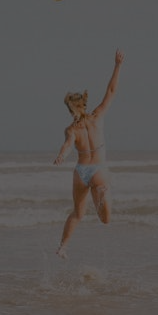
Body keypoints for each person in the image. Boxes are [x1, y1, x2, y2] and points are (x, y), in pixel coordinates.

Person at [53, 49, 124, 258]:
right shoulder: (97, 116)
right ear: (84, 105)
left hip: (81, 172)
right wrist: (117, 66)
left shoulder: (71, 129)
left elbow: (68, 145)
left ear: (71, 110)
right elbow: (111, 91)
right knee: (106, 220)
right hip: (99, 170)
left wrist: (62, 156)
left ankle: (63, 247)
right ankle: (102, 193)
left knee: (77, 213)